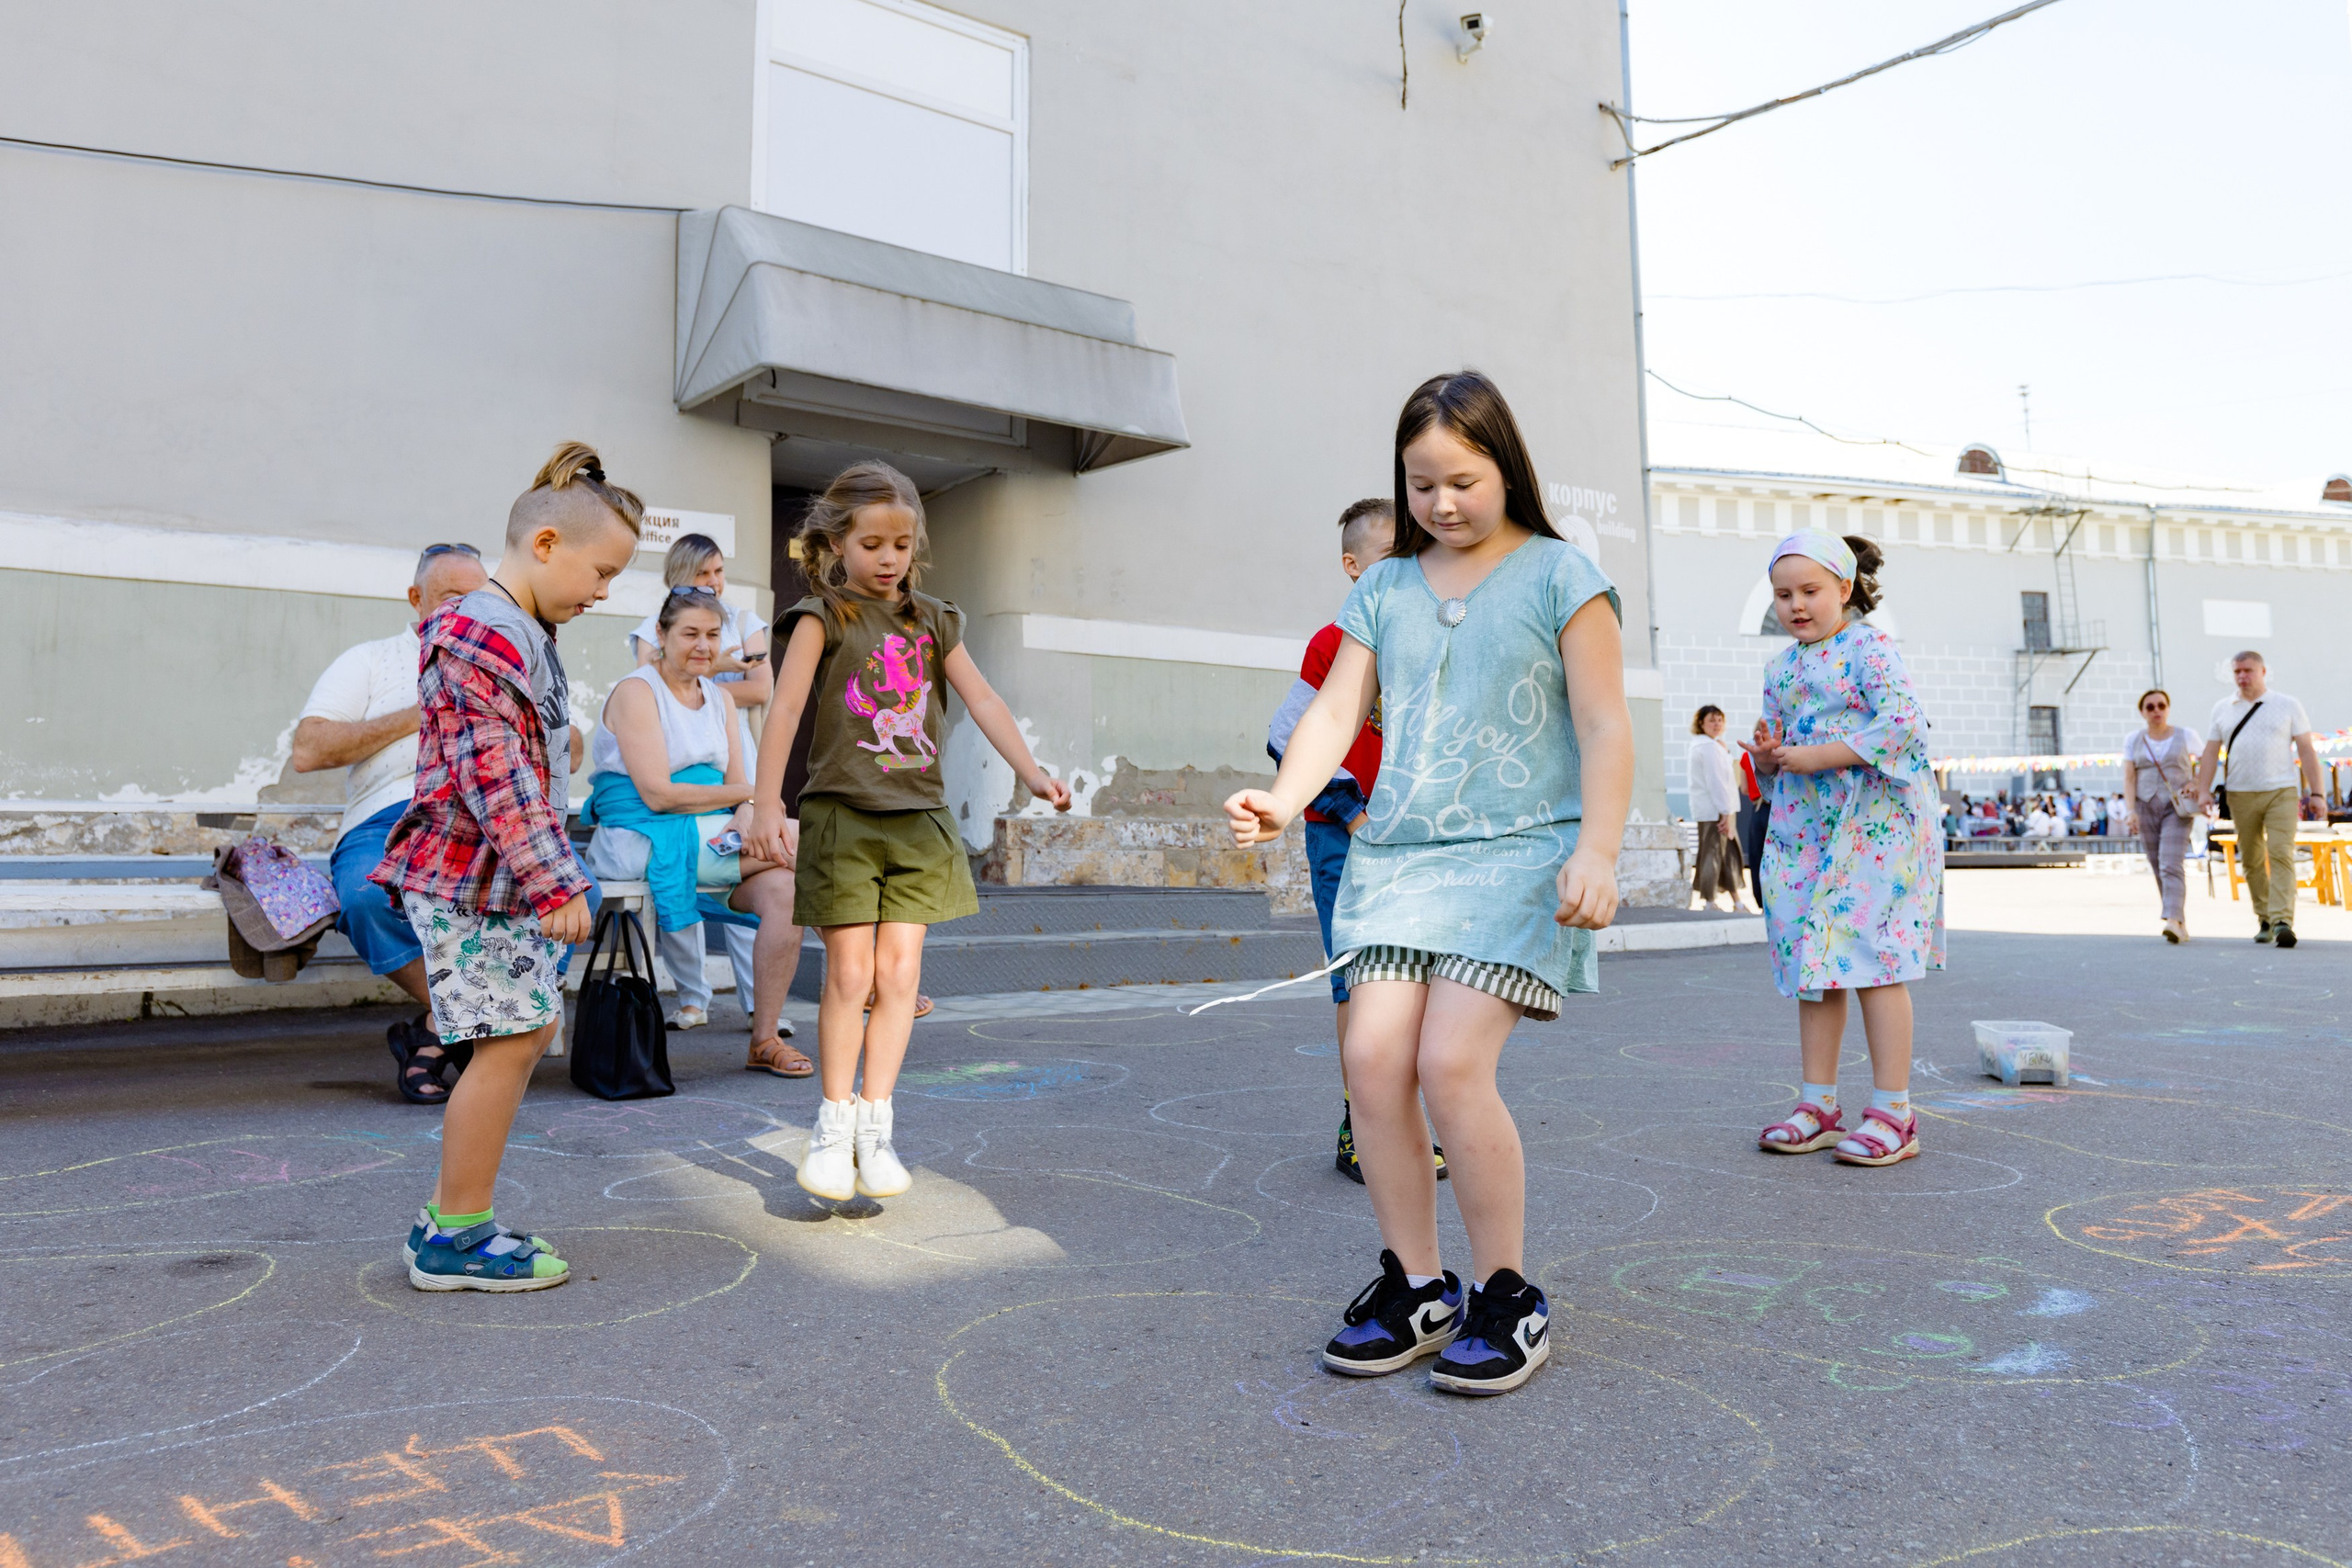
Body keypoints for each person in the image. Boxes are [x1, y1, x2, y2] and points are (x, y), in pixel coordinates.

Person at [1225, 370, 1633, 1398]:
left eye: (1461, 479)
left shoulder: (1560, 576)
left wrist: (1598, 848)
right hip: (1398, 856)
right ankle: (1416, 1286)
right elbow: (1330, 715)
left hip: (1518, 853)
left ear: (1506, 467)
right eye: (1419, 485)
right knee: (1370, 1064)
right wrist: (1282, 800)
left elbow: (1603, 725)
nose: (1441, 504)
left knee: (1451, 1065)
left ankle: (1506, 1295)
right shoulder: (1384, 588)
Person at [747, 461, 1070, 1203]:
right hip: (842, 816)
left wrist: (1031, 769)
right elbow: (787, 711)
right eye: (871, 543)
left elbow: (982, 697)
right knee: (850, 976)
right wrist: (768, 804)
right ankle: (833, 1127)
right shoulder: (820, 618)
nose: (888, 558)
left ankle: (876, 1126)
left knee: (899, 979)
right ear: (836, 542)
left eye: (901, 544)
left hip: (918, 821)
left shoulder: (935, 618)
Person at [372, 441, 640, 1292]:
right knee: (510, 1039)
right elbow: (495, 772)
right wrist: (553, 878)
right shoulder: (481, 628)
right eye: (600, 573)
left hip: (498, 881)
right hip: (475, 881)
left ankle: (454, 1215)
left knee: (521, 1036)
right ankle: (457, 1235)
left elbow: (533, 762)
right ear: (548, 543)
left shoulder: (524, 629)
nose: (603, 594)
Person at [1747, 530, 1943, 1169]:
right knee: (1816, 960)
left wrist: (1812, 754)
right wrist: (1770, 751)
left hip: (1875, 824)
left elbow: (1904, 726)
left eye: (1810, 591)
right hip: (1806, 827)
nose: (1796, 604)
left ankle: (1895, 1110)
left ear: (1845, 589)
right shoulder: (1780, 667)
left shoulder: (1868, 648)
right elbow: (1780, 756)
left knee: (1875, 957)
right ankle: (1819, 1104)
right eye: (1783, 593)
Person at [1268, 498, 1445, 1187]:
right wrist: (1349, 812)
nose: (1408, 568)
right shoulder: (1332, 640)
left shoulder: (1430, 638)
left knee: (1417, 984)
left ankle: (1403, 1118)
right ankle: (1361, 1122)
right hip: (1347, 838)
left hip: (1414, 841)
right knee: (1359, 985)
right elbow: (1291, 734)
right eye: (1389, 556)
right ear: (1353, 567)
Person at [582, 586, 808, 1073]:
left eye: (712, 634)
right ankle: (870, 973)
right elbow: (659, 794)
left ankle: (764, 1039)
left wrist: (749, 814)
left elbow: (739, 791)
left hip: (707, 830)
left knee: (786, 889)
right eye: (690, 633)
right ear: (661, 635)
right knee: (804, 841)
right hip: (644, 835)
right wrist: (747, 797)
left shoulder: (720, 698)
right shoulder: (636, 691)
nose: (703, 645)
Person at [294, 543, 487, 1102]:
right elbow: (309, 748)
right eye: (454, 597)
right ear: (416, 598)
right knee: (361, 895)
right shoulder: (371, 660)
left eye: (480, 598)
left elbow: (569, 743)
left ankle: (431, 1036)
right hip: (389, 817)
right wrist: (421, 713)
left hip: (478, 820)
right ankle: (466, 1021)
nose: (469, 610)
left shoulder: (502, 662)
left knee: (578, 893)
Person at [2193, 650, 2326, 948]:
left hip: (2281, 790)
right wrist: (2203, 791)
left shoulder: (2287, 705)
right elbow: (2211, 753)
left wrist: (2317, 793)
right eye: (2237, 671)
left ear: (2263, 672)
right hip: (2240, 793)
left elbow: (2306, 750)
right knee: (2252, 858)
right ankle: (2264, 918)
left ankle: (2282, 921)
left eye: (2248, 671)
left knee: (2280, 851)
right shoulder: (2222, 708)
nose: (2242, 676)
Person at [628, 532, 773, 711]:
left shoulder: (744, 621)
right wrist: (715, 667)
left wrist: (682, 690)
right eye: (702, 573)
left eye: (719, 571)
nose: (714, 581)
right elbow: (649, 693)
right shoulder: (653, 627)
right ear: (679, 576)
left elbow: (760, 691)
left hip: (734, 735)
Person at [2124, 688, 2198, 942]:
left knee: (2170, 863)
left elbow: (2207, 762)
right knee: (2157, 864)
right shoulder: (2133, 739)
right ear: (2142, 712)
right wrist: (2130, 810)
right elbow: (2129, 776)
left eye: (2161, 706)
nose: (2156, 711)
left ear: (2168, 708)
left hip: (2177, 807)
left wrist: (2197, 782)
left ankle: (2173, 921)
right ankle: (2178, 919)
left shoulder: (2186, 735)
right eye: (2150, 707)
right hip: (2145, 805)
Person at [1686, 705, 1751, 912]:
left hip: (1717, 810)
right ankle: (1711, 901)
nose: (1716, 724)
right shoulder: (1708, 747)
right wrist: (1725, 813)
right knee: (1715, 855)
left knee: (1726, 854)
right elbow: (1716, 782)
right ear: (1701, 724)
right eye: (1711, 720)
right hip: (1716, 811)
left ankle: (1735, 901)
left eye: (1719, 720)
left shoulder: (1712, 746)